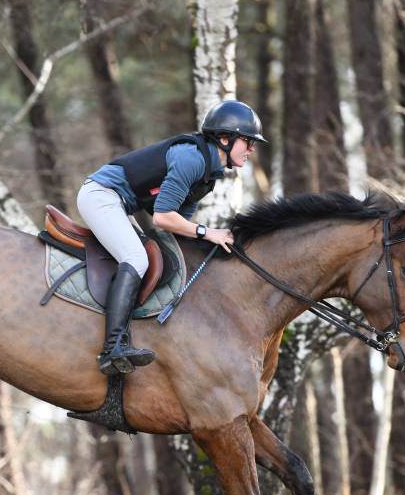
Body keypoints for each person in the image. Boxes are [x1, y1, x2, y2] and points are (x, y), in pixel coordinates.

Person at [77, 99, 267, 375]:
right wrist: (208, 233)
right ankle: (112, 348)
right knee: (136, 258)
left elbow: (177, 225)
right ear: (225, 138)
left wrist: (207, 241)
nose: (252, 149)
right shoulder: (192, 159)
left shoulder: (208, 175)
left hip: (117, 203)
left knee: (152, 257)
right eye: (247, 141)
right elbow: (163, 217)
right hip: (100, 196)